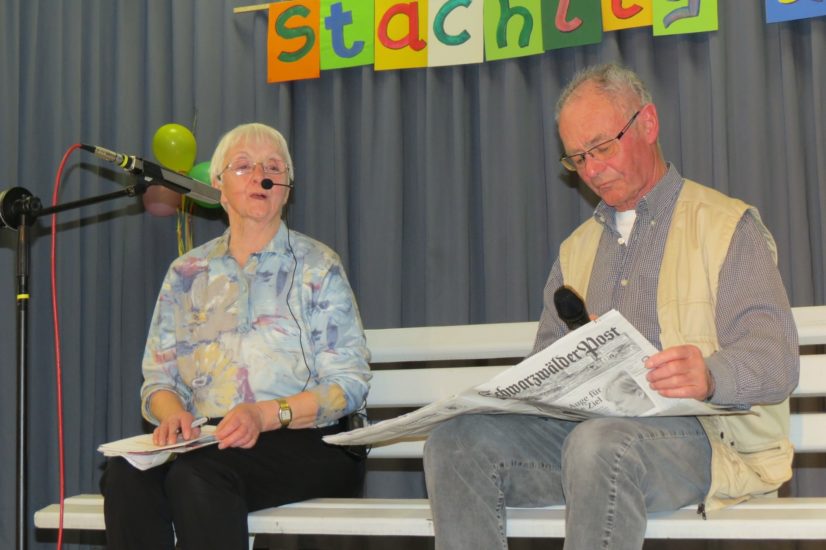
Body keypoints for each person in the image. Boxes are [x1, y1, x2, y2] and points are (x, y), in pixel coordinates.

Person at [423, 63, 799, 550]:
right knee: (455, 442)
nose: (592, 170)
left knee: (599, 444)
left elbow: (775, 359)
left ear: (648, 124)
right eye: (577, 158)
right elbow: (543, 372)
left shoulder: (726, 226)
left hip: (706, 440)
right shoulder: (574, 251)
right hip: (585, 441)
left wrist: (710, 374)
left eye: (602, 147)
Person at [100, 122, 372, 550]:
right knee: (126, 474)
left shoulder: (318, 265)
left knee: (200, 474)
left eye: (273, 167)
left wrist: (263, 415)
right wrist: (172, 415)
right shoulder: (187, 273)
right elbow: (158, 381)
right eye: (243, 166)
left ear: (286, 188)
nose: (260, 176)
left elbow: (348, 385)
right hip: (210, 439)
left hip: (310, 440)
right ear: (218, 186)